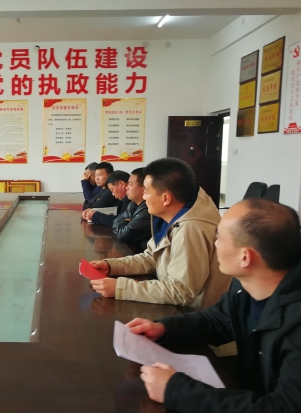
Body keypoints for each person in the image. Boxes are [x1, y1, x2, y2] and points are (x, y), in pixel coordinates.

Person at [128, 198, 301, 412]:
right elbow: (218, 320)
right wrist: (164, 328)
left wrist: (175, 391)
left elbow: (284, 407)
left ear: (245, 257)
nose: (214, 243)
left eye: (218, 237)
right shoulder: (247, 284)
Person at [90, 157, 230, 309]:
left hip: (191, 313)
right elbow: (151, 258)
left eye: (146, 191)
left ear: (165, 198)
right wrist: (111, 266)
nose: (143, 196)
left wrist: (121, 288)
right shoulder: (171, 214)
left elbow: (181, 291)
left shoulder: (190, 229)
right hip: (174, 303)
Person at [111, 168, 151, 251]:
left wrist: (124, 223)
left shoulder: (148, 209)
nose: (127, 187)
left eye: (130, 184)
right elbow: (115, 221)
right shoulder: (132, 204)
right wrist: (126, 223)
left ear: (143, 189)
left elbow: (123, 235)